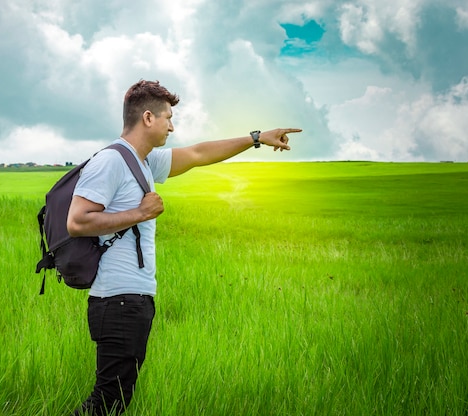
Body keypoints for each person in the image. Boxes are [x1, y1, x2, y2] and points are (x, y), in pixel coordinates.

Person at [67, 80, 302, 415]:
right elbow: (77, 221)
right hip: (117, 299)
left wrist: (256, 138)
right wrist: (140, 213)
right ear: (148, 118)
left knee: (114, 399)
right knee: (107, 401)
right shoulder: (111, 161)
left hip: (132, 299)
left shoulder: (144, 163)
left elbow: (198, 154)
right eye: (168, 118)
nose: (172, 126)